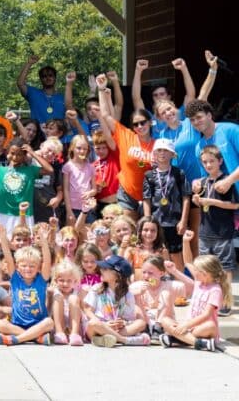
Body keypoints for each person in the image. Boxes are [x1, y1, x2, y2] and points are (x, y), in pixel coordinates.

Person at [97, 73, 154, 220]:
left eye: (143, 122)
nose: (140, 126)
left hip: (151, 195)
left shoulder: (158, 142)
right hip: (127, 193)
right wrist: (101, 89)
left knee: (148, 232)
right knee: (128, 231)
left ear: (150, 122)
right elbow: (105, 115)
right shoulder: (126, 135)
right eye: (136, 124)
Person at [190, 145, 237, 315]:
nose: (208, 165)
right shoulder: (202, 182)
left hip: (222, 232)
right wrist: (197, 200)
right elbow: (200, 202)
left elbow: (234, 205)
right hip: (205, 232)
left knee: (224, 267)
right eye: (205, 162)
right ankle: (207, 299)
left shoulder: (226, 181)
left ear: (220, 161)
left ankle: (225, 302)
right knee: (205, 267)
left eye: (212, 161)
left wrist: (211, 202)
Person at [0, 221, 55, 345]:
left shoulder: (41, 279)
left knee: (49, 322)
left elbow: (47, 261)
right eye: (24, 266)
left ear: (38, 267)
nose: (28, 269)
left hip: (38, 323)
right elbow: (9, 258)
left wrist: (43, 241)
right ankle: (35, 338)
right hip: (17, 324)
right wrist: (3, 238)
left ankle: (17, 339)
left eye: (32, 266)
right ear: (18, 267)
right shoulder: (15, 278)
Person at [160, 242, 230, 351]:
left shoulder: (215, 290)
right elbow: (187, 262)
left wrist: (185, 326)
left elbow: (206, 315)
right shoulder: (199, 283)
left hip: (202, 329)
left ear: (205, 273)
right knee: (164, 320)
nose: (194, 271)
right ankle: (198, 343)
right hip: (190, 327)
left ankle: (177, 339)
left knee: (211, 325)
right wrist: (185, 241)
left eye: (196, 270)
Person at [141, 138, 189, 267]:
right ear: (154, 154)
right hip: (156, 222)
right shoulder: (149, 175)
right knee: (158, 252)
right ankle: (162, 281)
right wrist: (147, 220)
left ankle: (180, 281)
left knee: (176, 253)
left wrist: (183, 221)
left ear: (172, 154)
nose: (162, 153)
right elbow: (146, 198)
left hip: (174, 221)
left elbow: (186, 197)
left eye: (166, 151)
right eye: (159, 150)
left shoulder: (179, 173)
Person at [17, 54, 67, 122]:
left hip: (58, 132)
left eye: (50, 75)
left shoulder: (63, 98)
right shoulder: (33, 93)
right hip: (37, 132)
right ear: (40, 79)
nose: (47, 78)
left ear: (55, 78)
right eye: (44, 76)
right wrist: (29, 63)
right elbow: (20, 83)